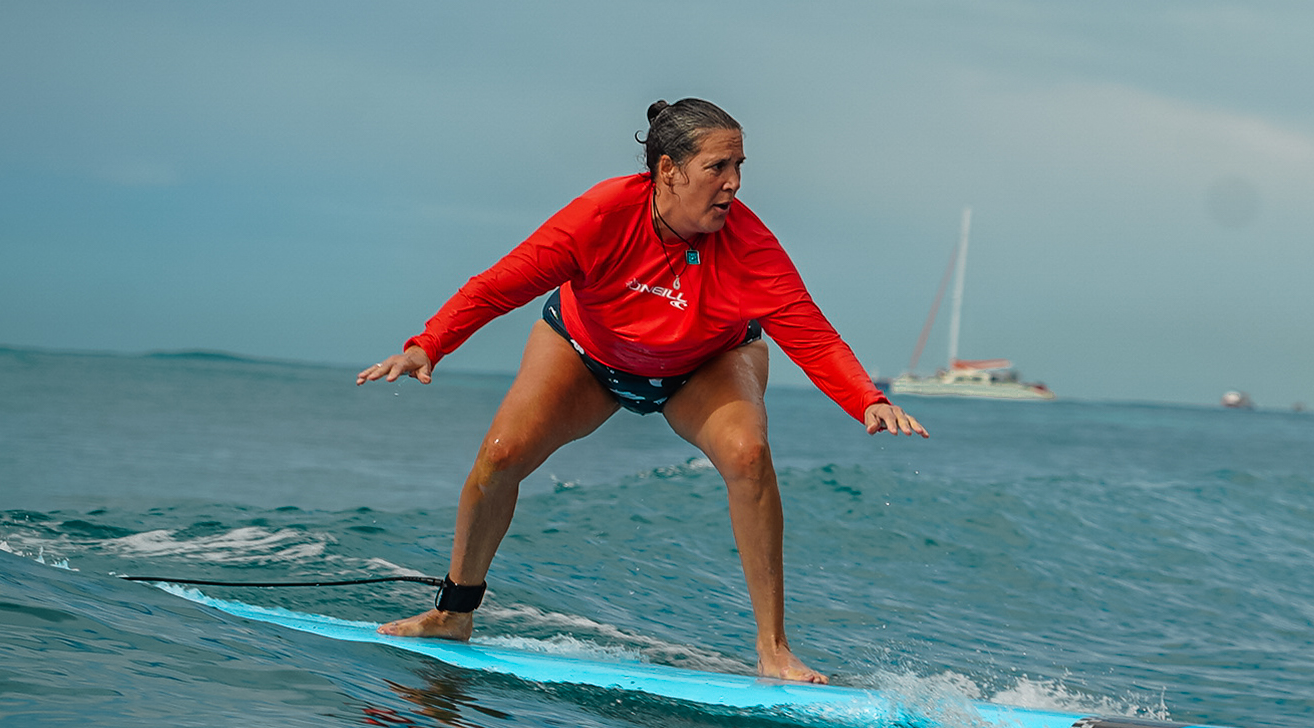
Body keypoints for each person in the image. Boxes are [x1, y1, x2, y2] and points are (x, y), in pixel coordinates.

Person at [358, 97, 926, 683]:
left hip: (707, 364)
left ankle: (773, 650)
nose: (733, 184)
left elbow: (810, 332)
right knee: (500, 456)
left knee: (748, 456)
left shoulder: (749, 245)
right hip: (587, 354)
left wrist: (868, 398)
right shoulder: (602, 215)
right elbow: (503, 282)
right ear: (667, 170)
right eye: (718, 167)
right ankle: (453, 614)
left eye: (740, 166)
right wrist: (429, 343)